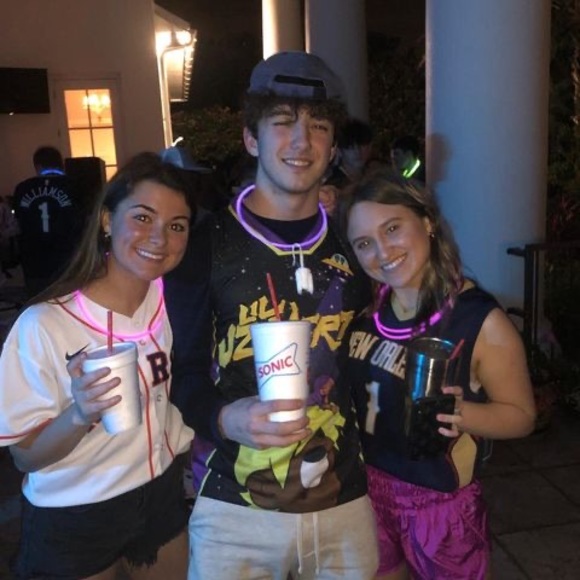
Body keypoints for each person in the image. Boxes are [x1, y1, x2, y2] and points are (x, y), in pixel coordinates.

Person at [164, 51, 379, 579]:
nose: (302, 141)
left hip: (343, 497)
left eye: (319, 126)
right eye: (282, 122)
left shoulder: (356, 244)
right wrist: (224, 418)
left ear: (333, 148)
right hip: (233, 507)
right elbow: (182, 371)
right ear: (251, 139)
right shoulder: (204, 245)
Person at [0, 152, 196, 579]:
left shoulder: (175, 302)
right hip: (74, 514)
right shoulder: (44, 324)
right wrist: (80, 414)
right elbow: (24, 457)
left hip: (160, 493)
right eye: (142, 217)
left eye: (176, 225)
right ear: (108, 220)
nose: (159, 237)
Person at [343, 168, 536, 580]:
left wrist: (462, 414)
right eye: (364, 243)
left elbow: (522, 416)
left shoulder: (479, 320)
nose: (381, 250)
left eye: (392, 228)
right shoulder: (365, 311)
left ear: (427, 221)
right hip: (366, 491)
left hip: (439, 504)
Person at [12, 146, 86, 298]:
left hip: (34, 262)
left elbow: (18, 223)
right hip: (68, 259)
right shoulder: (76, 186)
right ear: (61, 164)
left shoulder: (22, 188)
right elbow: (86, 222)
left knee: (38, 305)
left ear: (37, 166)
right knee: (71, 304)